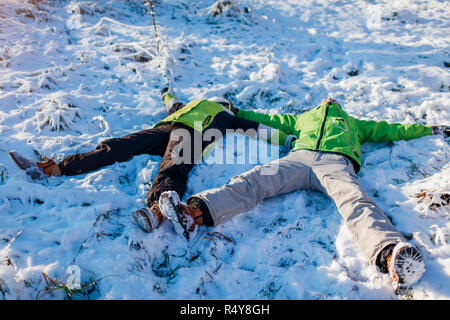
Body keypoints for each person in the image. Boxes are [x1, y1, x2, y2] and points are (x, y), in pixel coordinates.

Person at [157, 97, 449, 293]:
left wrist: (429, 129)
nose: (329, 100)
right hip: (298, 159)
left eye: (333, 100)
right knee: (255, 179)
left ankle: (389, 253)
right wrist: (235, 112)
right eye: (326, 99)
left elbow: (392, 129)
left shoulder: (354, 123)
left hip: (336, 162)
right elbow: (268, 118)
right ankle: (196, 211)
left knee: (355, 202)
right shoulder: (303, 119)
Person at [9, 88, 294, 235]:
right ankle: (57, 167)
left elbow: (259, 130)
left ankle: (160, 209)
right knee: (120, 145)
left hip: (191, 133)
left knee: (174, 166)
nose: (224, 105)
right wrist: (166, 93)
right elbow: (172, 104)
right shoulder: (192, 105)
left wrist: (286, 140)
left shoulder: (228, 117)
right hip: (165, 128)